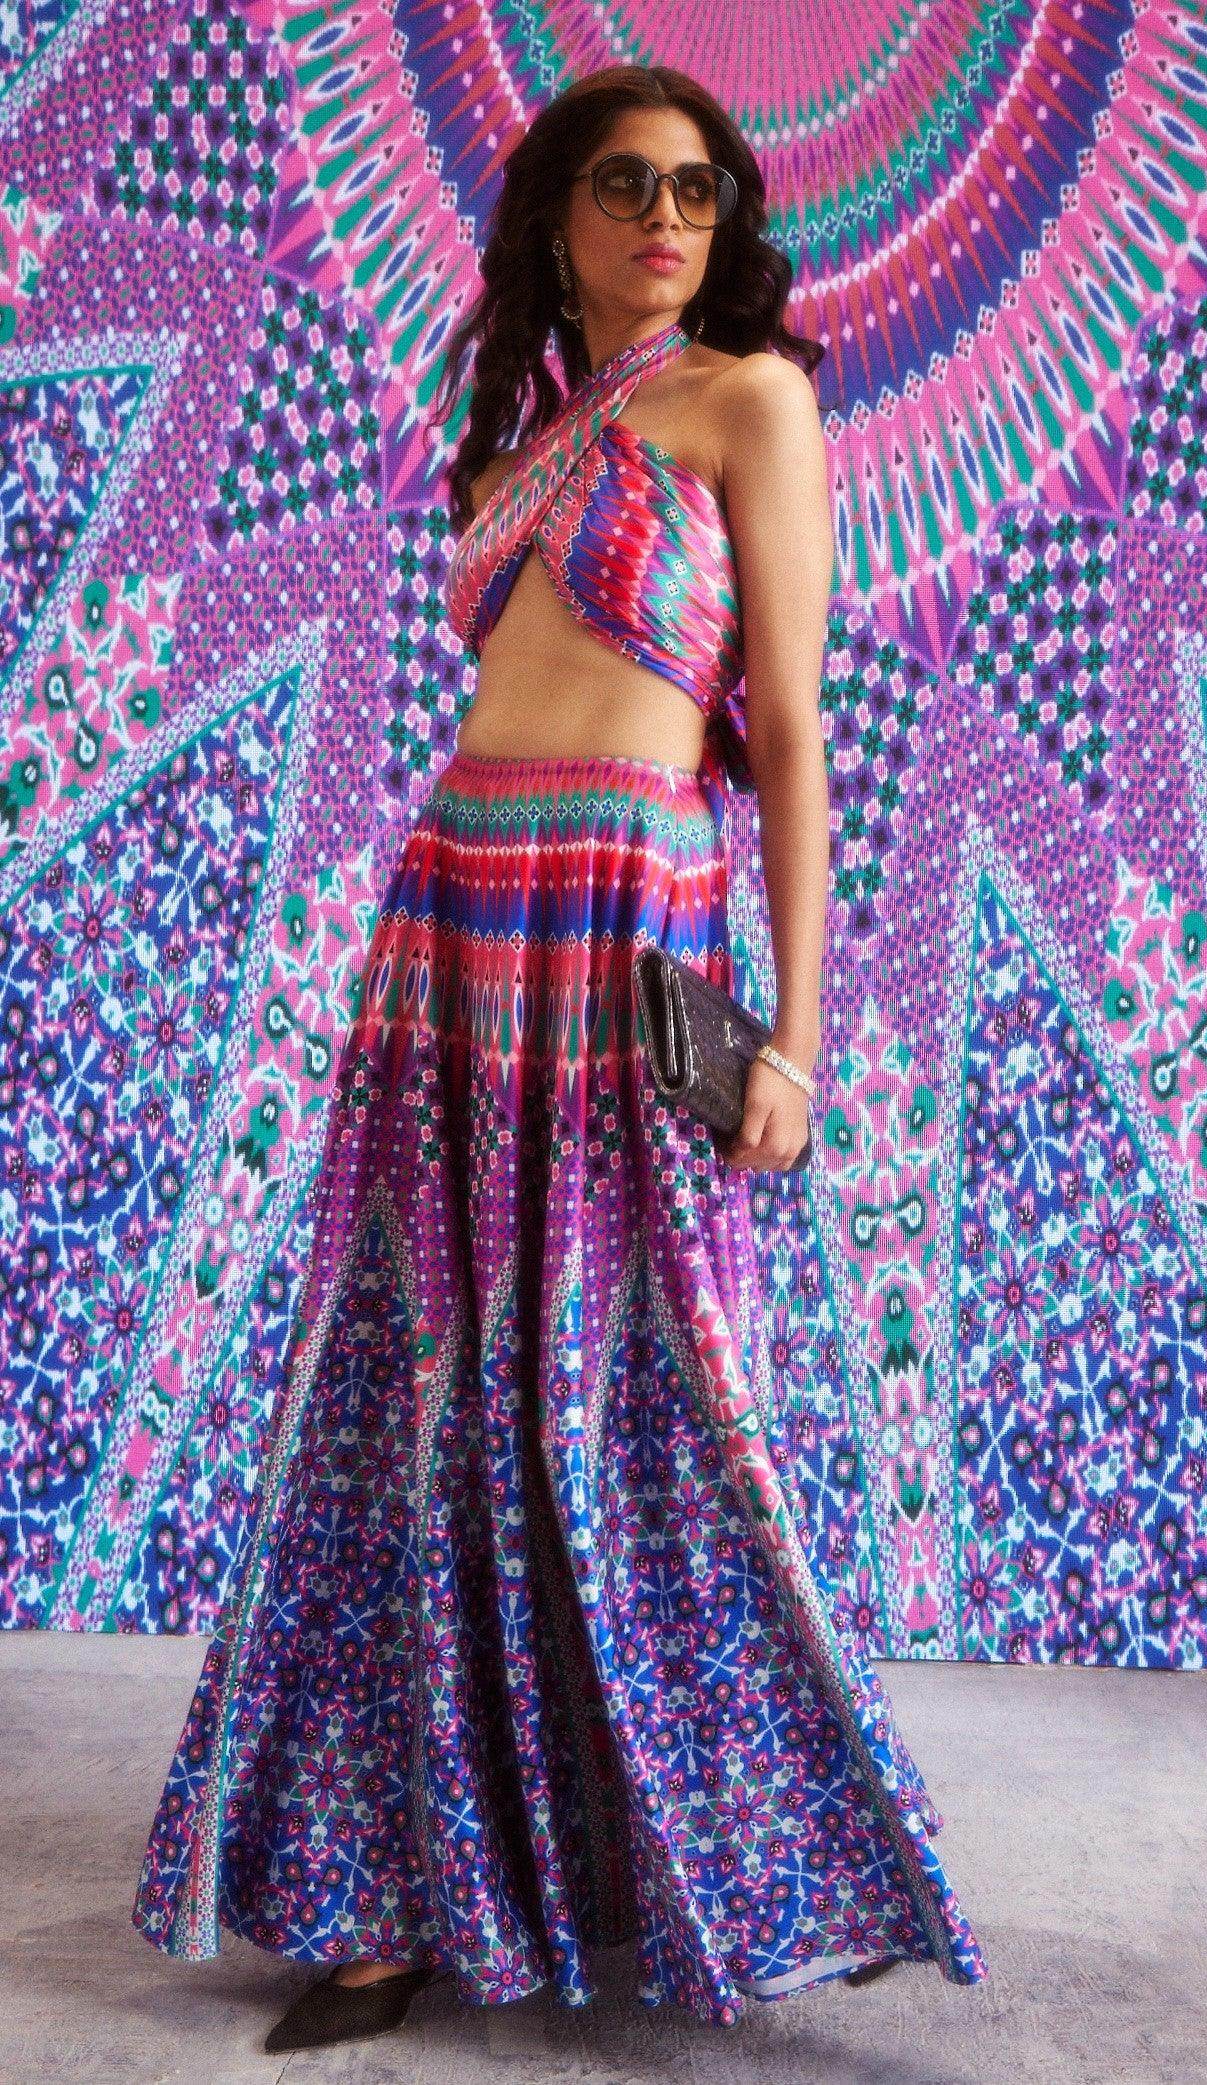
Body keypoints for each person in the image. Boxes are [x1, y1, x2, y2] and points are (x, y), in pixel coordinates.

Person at [131, 62, 990, 2053]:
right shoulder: (521, 439)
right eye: (624, 184)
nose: (667, 217)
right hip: (452, 922)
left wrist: (794, 1039)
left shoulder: (749, 402)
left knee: (640, 1397)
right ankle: (396, 1890)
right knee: (419, 1402)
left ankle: (711, 1869)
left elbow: (791, 731)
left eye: (697, 188)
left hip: (624, 923)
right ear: (554, 215)